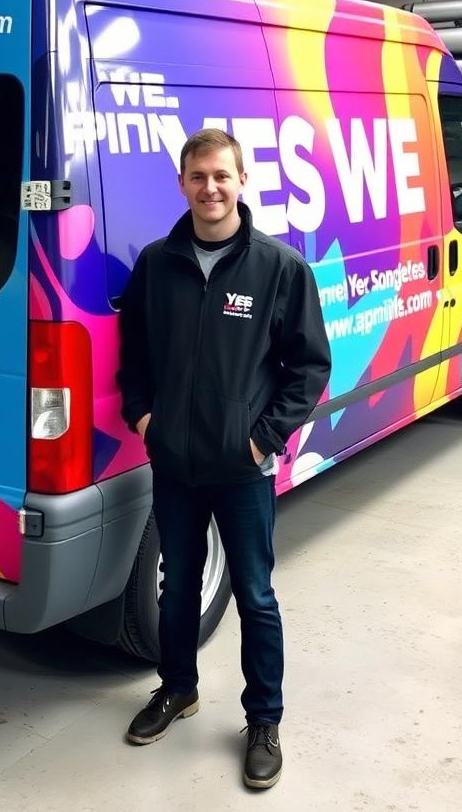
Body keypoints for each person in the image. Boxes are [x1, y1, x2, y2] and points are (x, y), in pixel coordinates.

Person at [117, 128, 332, 790]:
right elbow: (134, 359)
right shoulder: (157, 263)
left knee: (255, 595)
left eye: (223, 176)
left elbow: (310, 366)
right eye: (199, 176)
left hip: (244, 470)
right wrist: (146, 419)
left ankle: (263, 720)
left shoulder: (278, 268)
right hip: (175, 464)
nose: (211, 187)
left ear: (242, 183)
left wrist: (262, 439)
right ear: (182, 183)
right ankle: (177, 689)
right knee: (177, 588)